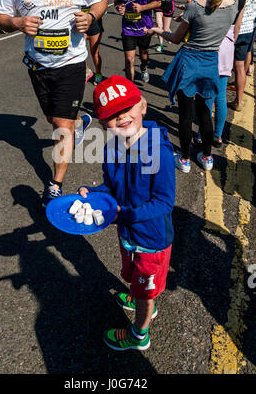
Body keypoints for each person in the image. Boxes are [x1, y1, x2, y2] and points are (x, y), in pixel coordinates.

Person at [0, 0, 108, 208]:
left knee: (61, 128)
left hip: (72, 61)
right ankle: (79, 123)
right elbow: (0, 17)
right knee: (53, 120)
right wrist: (17, 22)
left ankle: (55, 183)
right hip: (38, 63)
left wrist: (90, 17)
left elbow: (101, 0)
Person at [78, 75, 175, 351]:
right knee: (131, 275)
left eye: (127, 108)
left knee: (146, 290)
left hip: (152, 239)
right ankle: (139, 295)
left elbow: (164, 203)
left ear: (142, 107)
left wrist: (124, 214)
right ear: (102, 124)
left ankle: (139, 333)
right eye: (112, 115)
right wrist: (94, 192)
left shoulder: (160, 152)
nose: (121, 117)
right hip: (127, 232)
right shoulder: (111, 148)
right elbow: (111, 186)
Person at [145, 0, 238, 173]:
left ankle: (185, 159)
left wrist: (157, 29)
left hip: (190, 63)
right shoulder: (233, 3)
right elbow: (213, 20)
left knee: (186, 114)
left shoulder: (196, 6)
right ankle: (207, 157)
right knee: (205, 112)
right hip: (210, 63)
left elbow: (176, 38)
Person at [196, 0, 247, 147]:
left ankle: (202, 135)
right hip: (228, 44)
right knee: (221, 94)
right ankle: (217, 135)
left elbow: (205, 18)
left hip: (211, 45)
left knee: (206, 95)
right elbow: (238, 24)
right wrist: (232, 44)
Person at [114, 0, 161, 83]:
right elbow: (117, 2)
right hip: (128, 28)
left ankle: (144, 67)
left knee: (144, 55)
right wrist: (119, 8)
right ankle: (132, 91)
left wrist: (142, 8)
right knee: (129, 60)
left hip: (144, 27)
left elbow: (158, 2)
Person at [229, 0, 256, 112]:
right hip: (252, 22)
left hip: (238, 23)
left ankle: (237, 101)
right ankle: (240, 95)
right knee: (245, 59)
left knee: (236, 66)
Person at [73, 0, 105, 85]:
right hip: (79, 21)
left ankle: (98, 72)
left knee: (94, 51)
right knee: (79, 49)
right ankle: (86, 70)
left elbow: (102, 0)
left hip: (93, 20)